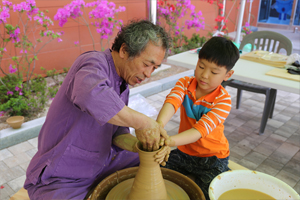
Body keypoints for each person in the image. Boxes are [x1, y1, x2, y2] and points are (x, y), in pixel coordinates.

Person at [24, 19, 172, 199]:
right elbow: (92, 95)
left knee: (159, 163)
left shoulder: (122, 84)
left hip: (100, 163)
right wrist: (144, 123)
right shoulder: (93, 63)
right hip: (61, 175)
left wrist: (143, 147)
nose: (148, 74)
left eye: (154, 68)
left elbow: (117, 135)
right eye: (146, 64)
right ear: (125, 51)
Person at [155, 36, 240, 199]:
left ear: (228, 74)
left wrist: (167, 141)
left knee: (204, 194)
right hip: (185, 152)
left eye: (214, 72)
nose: (204, 75)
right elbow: (172, 102)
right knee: (157, 174)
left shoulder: (223, 101)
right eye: (201, 66)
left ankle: (220, 174)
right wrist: (158, 126)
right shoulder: (185, 83)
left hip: (213, 158)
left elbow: (199, 130)